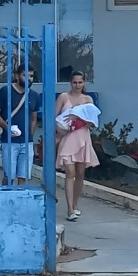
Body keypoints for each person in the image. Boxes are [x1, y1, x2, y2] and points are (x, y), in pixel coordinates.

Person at [54, 71, 100, 220]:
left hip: (82, 139)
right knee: (70, 173)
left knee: (80, 175)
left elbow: (92, 122)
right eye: (75, 82)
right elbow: (53, 118)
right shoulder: (63, 97)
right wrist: (61, 129)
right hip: (67, 139)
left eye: (80, 82)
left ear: (84, 83)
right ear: (70, 83)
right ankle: (69, 209)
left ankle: (75, 205)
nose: (77, 85)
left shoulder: (88, 99)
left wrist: (80, 121)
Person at [0, 65, 38, 187]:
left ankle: (20, 201)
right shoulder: (5, 91)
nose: (29, 79)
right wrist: (7, 128)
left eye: (32, 76)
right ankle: (5, 198)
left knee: (24, 176)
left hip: (27, 142)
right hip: (9, 142)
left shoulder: (34, 95)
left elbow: (34, 118)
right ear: (17, 75)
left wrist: (30, 134)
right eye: (25, 75)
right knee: (9, 176)